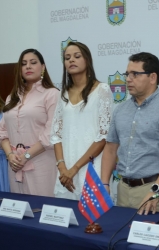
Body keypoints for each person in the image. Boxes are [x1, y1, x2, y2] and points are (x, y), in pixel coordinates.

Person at [101, 52, 159, 214]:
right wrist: (104, 183)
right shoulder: (120, 109)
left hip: (155, 190)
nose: (128, 79)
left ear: (152, 77)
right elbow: (111, 148)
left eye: (135, 74)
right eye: (127, 74)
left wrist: (155, 191)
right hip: (123, 189)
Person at [50, 41, 113, 200]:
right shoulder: (63, 93)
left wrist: (75, 168)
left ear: (87, 60)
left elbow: (103, 137)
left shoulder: (102, 90)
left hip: (91, 166)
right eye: (67, 58)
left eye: (77, 56)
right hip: (66, 170)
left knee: (94, 222)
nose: (71, 60)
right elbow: (56, 135)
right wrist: (62, 167)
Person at [0, 49, 59, 197]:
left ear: (43, 67)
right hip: (15, 164)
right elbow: (2, 132)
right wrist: (11, 155)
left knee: (41, 209)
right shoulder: (12, 96)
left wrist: (26, 156)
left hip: (41, 162)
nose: (28, 66)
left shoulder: (52, 94)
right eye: (24, 64)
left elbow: (51, 134)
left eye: (33, 63)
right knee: (18, 210)